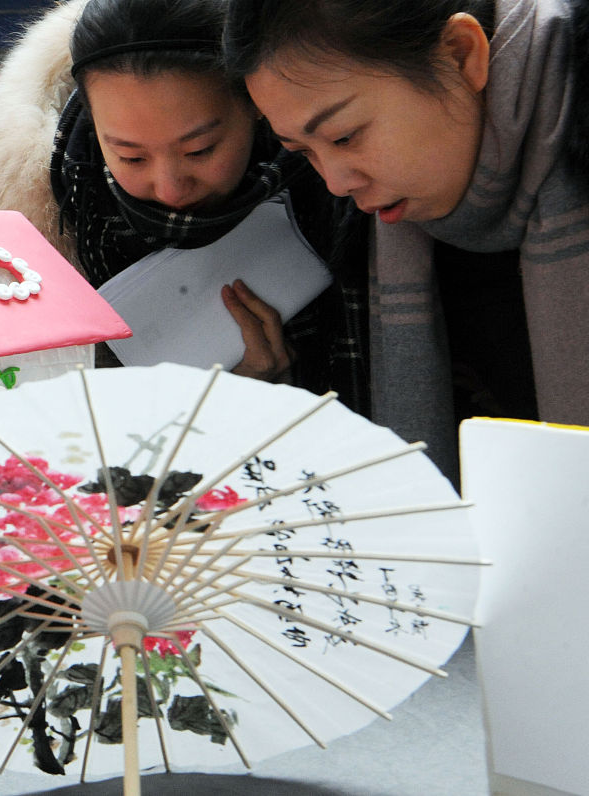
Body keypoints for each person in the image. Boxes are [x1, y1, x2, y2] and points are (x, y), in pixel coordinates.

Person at [225, 0, 589, 478]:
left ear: (461, 54)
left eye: (345, 136)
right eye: (302, 151)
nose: (335, 182)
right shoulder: (355, 234)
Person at [0, 0, 368, 404]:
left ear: (253, 105)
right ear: (93, 124)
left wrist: (276, 391)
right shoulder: (53, 214)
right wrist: (227, 397)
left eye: (199, 151)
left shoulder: (346, 185)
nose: (171, 189)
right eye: (132, 157)